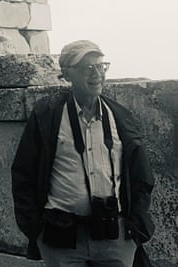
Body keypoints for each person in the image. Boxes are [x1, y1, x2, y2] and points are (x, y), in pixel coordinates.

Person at [11, 40, 155, 266]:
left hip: (114, 237)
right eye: (88, 68)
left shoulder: (120, 117)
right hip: (61, 239)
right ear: (67, 75)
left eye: (101, 66)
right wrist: (35, 231)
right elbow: (23, 174)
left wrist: (136, 227)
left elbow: (142, 176)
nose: (97, 74)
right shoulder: (47, 115)